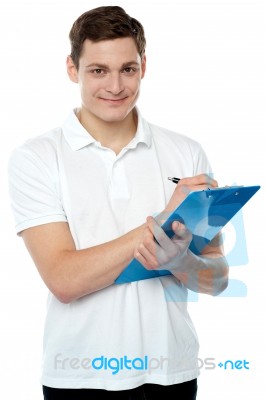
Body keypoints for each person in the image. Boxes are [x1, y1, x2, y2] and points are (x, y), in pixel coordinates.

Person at [8, 5, 229, 400]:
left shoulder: (187, 152)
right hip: (79, 377)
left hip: (171, 373)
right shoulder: (37, 157)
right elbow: (63, 280)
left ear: (144, 66)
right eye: (98, 70)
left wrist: (180, 260)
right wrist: (163, 222)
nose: (115, 85)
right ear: (72, 69)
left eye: (127, 68)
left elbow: (217, 278)